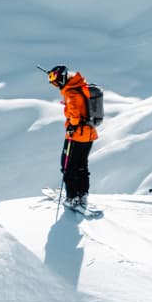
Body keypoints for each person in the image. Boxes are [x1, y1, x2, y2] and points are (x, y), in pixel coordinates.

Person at [45, 64, 97, 211]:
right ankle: (82, 195)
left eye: (54, 79)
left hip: (76, 136)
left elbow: (74, 115)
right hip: (89, 134)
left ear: (61, 77)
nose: (54, 83)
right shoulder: (80, 87)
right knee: (82, 165)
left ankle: (72, 198)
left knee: (68, 166)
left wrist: (72, 125)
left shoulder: (71, 93)